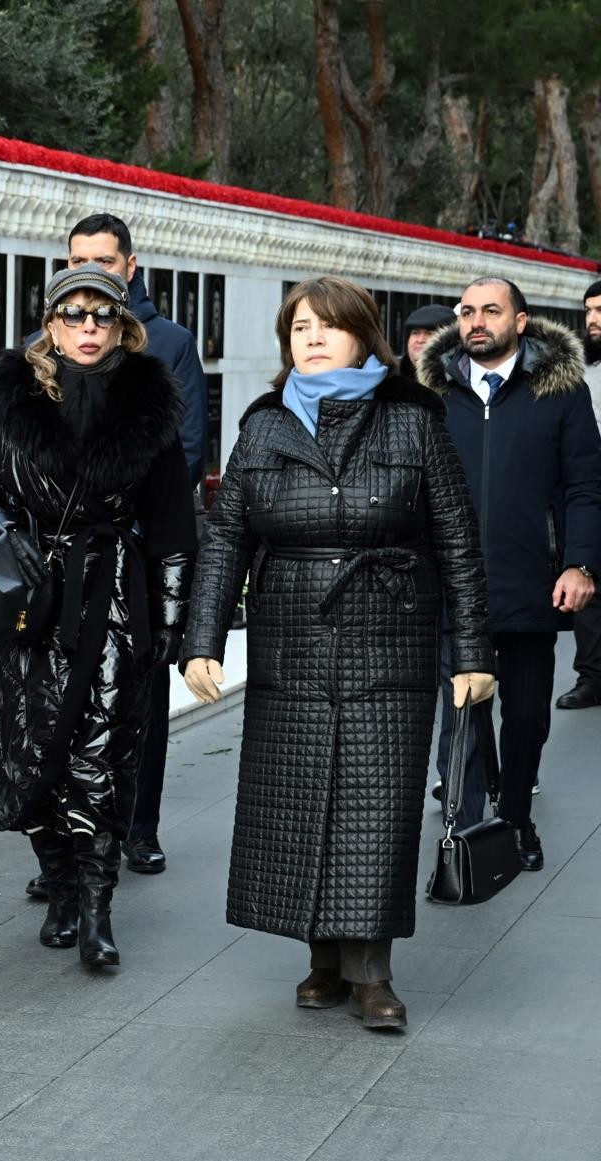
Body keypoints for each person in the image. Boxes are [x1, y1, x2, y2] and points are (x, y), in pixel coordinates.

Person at [182, 276, 495, 1031]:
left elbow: (456, 536)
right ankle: (322, 958)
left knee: (375, 807)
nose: (313, 338)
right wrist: (201, 640)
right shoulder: (262, 427)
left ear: (363, 336)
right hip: (291, 637)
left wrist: (473, 652)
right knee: (294, 803)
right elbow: (227, 536)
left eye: (328, 326)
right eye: (300, 329)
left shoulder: (412, 420)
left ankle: (371, 972)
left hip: (390, 632)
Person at [0, 263, 197, 968]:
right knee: (30, 751)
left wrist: (170, 615)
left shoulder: (147, 407)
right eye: (73, 315)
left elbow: (171, 517)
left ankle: (100, 909)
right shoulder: (8, 401)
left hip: (112, 595)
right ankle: (64, 884)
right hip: (31, 599)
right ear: (51, 324)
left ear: (121, 323)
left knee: (104, 753)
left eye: (100, 315)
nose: (87, 327)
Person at [417, 276, 601, 865]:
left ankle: (517, 817)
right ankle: (465, 839)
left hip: (532, 583)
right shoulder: (433, 393)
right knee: (463, 718)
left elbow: (585, 486)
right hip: (454, 586)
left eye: (491, 311)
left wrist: (579, 564)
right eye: (467, 311)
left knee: (525, 717)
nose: (476, 321)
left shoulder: (561, 391)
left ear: (520, 322)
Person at [60, 213, 209, 878]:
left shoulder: (169, 343)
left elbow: (184, 447)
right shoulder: (51, 343)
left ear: (131, 264)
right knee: (62, 700)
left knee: (138, 702)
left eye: (103, 258)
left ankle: (137, 825)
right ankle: (67, 833)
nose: (89, 267)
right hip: (67, 565)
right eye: (75, 258)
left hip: (137, 553)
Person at [556, 279, 601, 710]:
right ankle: (593, 677)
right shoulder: (576, 371)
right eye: (588, 310)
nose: (592, 319)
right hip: (588, 488)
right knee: (588, 582)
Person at [399, 303, 453, 381]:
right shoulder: (391, 378)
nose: (420, 340)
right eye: (415, 333)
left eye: (430, 333)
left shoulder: (460, 382)